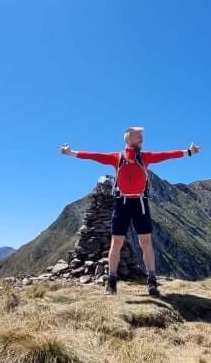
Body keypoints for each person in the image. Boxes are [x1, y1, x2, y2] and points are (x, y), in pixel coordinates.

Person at [59, 126, 201, 296]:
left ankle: (152, 281)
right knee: (116, 242)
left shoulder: (145, 157)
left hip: (140, 202)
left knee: (145, 242)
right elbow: (93, 156)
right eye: (138, 136)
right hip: (122, 203)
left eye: (142, 136)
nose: (142, 139)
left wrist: (189, 152)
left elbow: (167, 155)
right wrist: (70, 153)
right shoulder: (117, 157)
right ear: (128, 139)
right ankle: (112, 280)